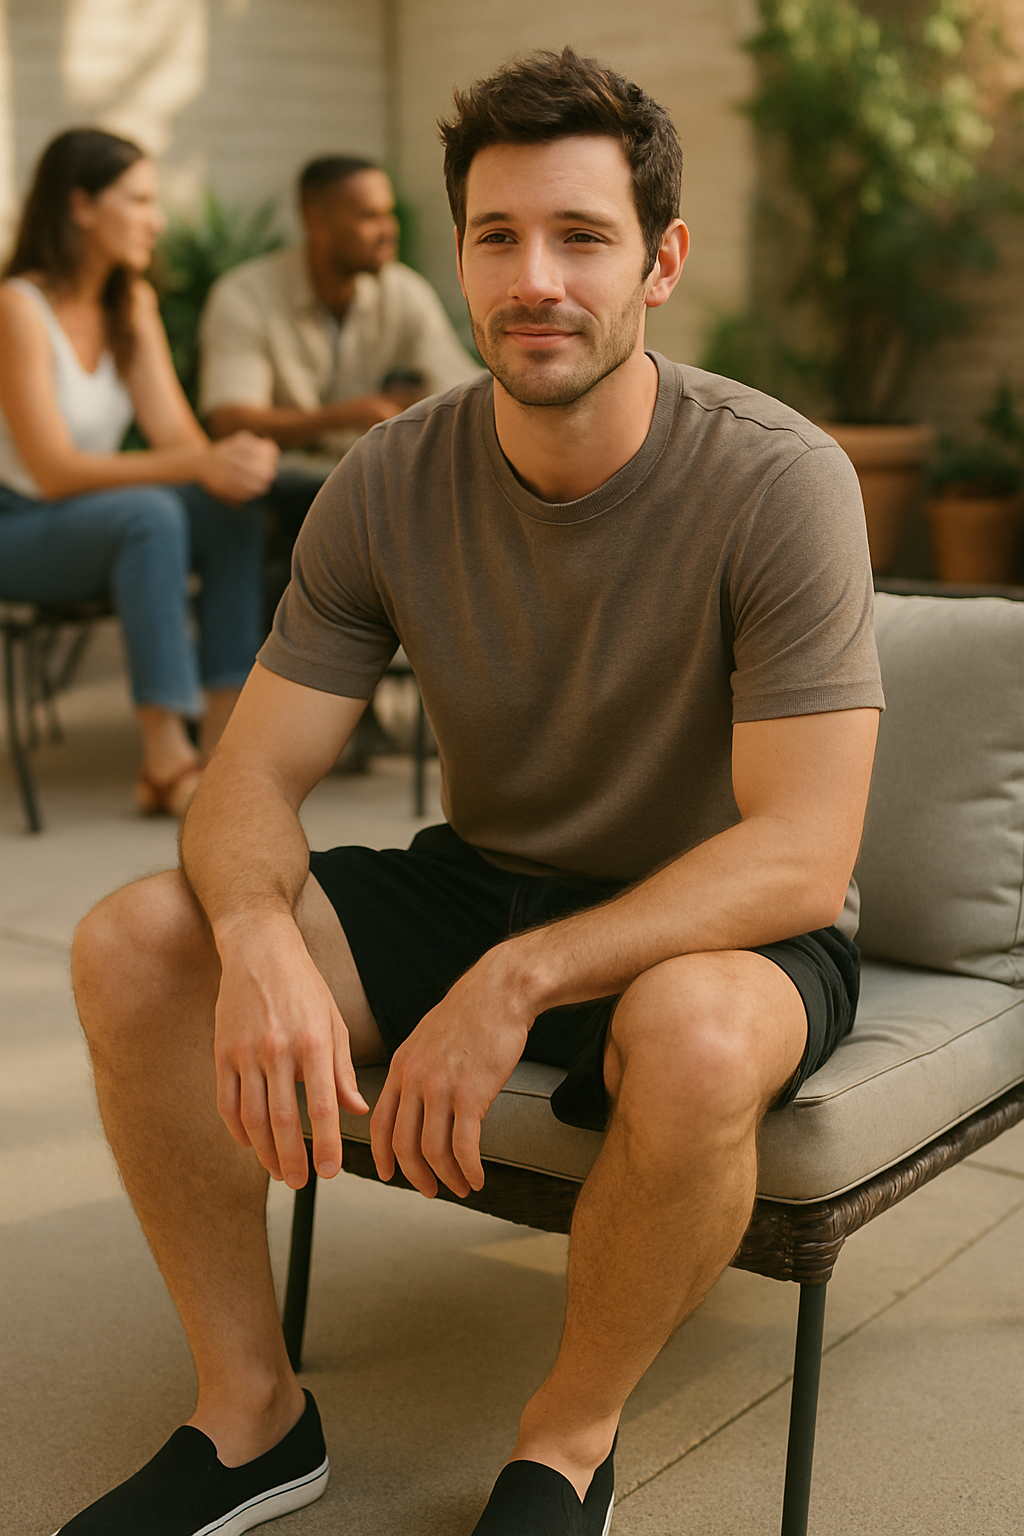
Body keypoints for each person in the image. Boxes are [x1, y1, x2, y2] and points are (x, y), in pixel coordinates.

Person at [62, 47, 884, 1536]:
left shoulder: (779, 481)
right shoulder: (392, 478)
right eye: (498, 237)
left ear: (661, 262)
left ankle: (565, 1446)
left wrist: (514, 979)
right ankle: (252, 1416)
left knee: (695, 1037)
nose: (535, 280)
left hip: (723, 924)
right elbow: (248, 778)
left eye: (582, 237)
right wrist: (255, 939)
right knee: (138, 945)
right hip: (485, 875)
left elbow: (801, 857)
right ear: (457, 260)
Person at [0, 128, 278, 817]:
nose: (157, 220)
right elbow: (53, 470)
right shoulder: (16, 308)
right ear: (80, 205)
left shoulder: (131, 304)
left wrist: (232, 463)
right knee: (149, 513)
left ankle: (226, 746)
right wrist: (200, 461)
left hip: (81, 522)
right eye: (140, 201)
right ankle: (164, 758)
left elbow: (182, 442)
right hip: (16, 525)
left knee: (226, 505)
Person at [198, 152, 480, 551]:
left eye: (389, 213)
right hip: (283, 486)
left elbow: (467, 391)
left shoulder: (403, 291)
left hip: (373, 479)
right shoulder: (245, 295)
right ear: (316, 222)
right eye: (369, 216)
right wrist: (350, 415)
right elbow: (230, 422)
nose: (389, 229)